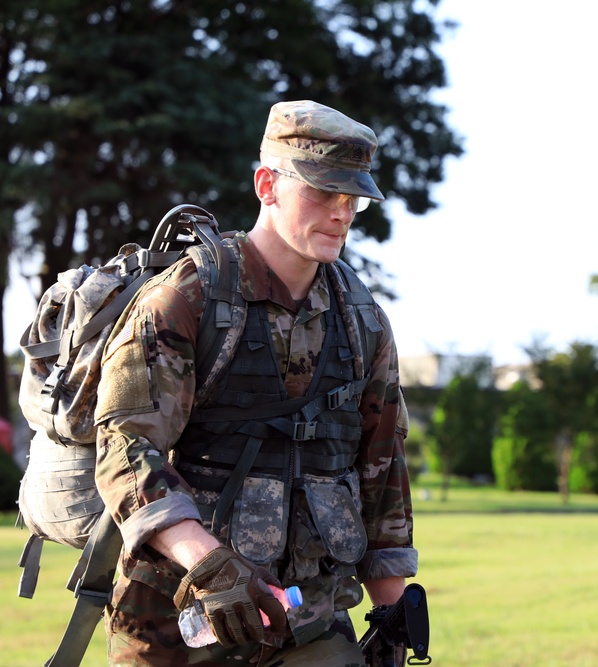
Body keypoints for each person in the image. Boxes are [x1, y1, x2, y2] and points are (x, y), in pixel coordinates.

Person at [93, 100, 417, 666]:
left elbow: (382, 469)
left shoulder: (362, 319)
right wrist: (208, 561)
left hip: (309, 624)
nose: (341, 212)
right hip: (179, 624)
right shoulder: (188, 298)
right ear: (267, 184)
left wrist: (394, 612)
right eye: (322, 191)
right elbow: (124, 447)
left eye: (353, 198)